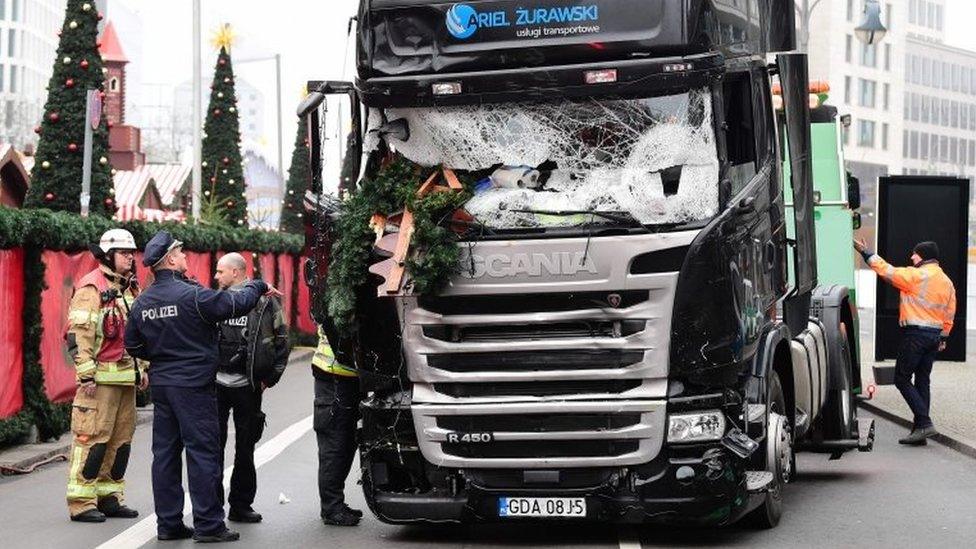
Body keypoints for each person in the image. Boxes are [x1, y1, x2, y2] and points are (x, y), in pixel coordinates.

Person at [124, 231, 272, 543]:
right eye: (180, 252)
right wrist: (258, 285)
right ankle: (209, 525)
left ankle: (169, 524)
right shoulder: (193, 296)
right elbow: (236, 303)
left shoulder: (142, 302)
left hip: (163, 386)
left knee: (164, 455)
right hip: (194, 386)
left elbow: (133, 344)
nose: (185, 256)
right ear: (169, 260)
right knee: (203, 453)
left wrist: (164, 357)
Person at [66, 229, 146, 523]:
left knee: (120, 441)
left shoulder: (131, 288)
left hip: (126, 380)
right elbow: (79, 336)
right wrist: (86, 375)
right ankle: (82, 502)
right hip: (98, 383)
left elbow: (137, 335)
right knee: (92, 440)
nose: (131, 257)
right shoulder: (91, 288)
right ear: (108, 256)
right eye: (125, 253)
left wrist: (142, 369)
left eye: (132, 253)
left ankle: (109, 497)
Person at [855, 238, 957, 446]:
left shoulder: (918, 275)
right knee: (922, 380)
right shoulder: (946, 281)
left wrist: (866, 253)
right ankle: (920, 430)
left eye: (915, 254)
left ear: (924, 256)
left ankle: (925, 423)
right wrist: (944, 336)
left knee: (901, 378)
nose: (911, 257)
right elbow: (950, 310)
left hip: (916, 335)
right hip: (934, 337)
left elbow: (887, 271)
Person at [213, 253, 289, 524]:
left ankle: (241, 505)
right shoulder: (216, 299)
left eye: (220, 271)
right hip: (217, 386)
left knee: (245, 448)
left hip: (249, 386)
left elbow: (282, 340)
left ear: (236, 272)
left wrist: (271, 377)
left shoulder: (266, 301)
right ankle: (212, 507)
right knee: (213, 447)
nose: (216, 276)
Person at [312, 323, 363, 526]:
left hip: (346, 376)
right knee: (334, 445)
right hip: (333, 376)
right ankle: (332, 508)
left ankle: (336, 504)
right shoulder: (338, 303)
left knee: (347, 443)